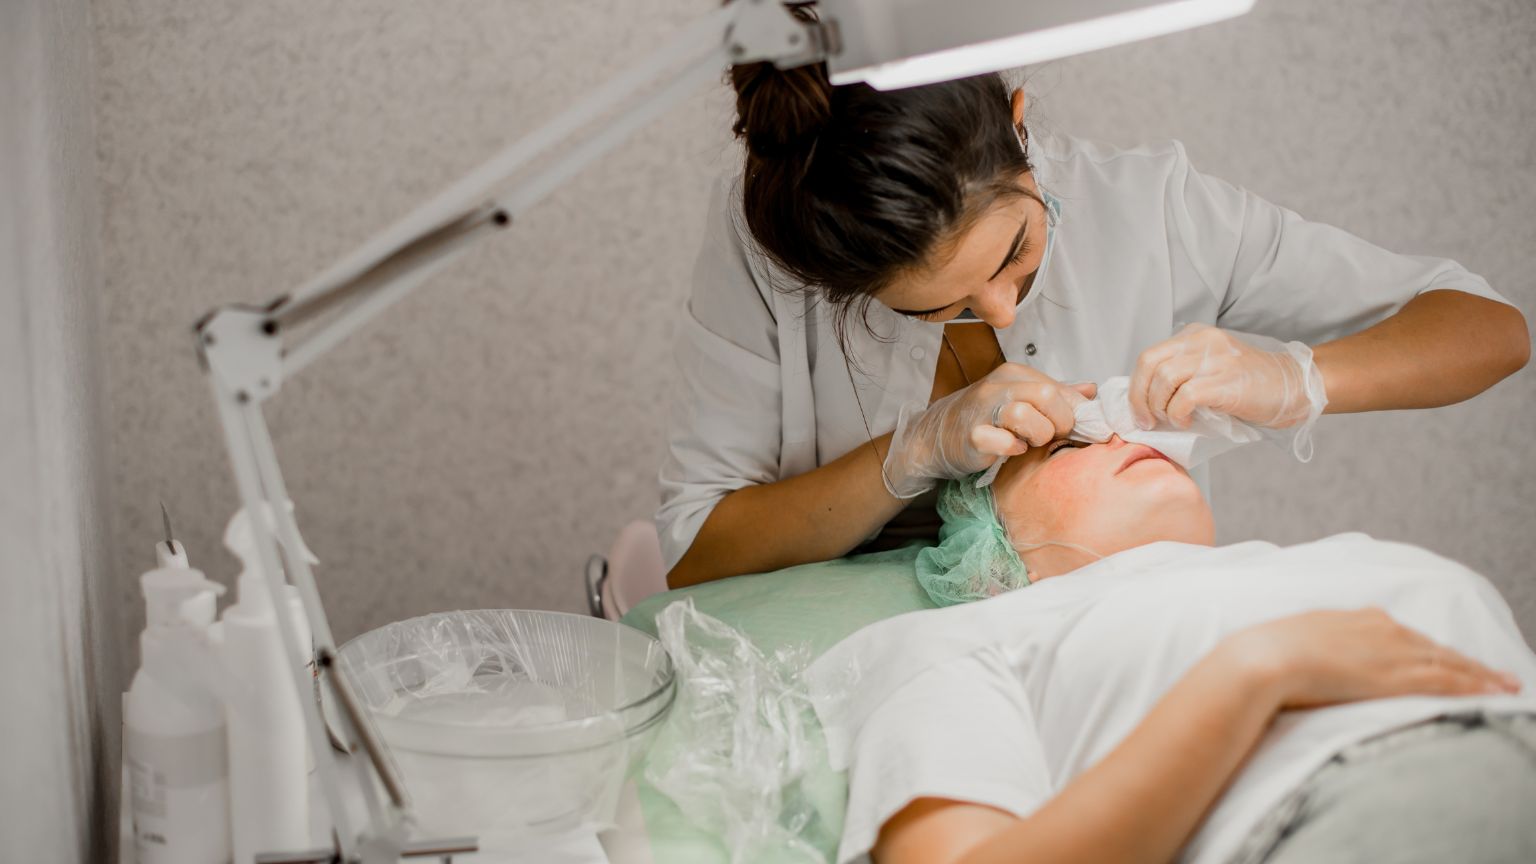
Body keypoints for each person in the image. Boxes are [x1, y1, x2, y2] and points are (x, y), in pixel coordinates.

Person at [657, 38, 1530, 588]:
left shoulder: (1154, 210)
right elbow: (702, 554)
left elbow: (1489, 330)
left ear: (1019, 124)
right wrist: (913, 449)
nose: (999, 308)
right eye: (938, 309)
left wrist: (1294, 378)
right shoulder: (771, 244)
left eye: (1015, 253)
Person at [800, 437, 1536, 864]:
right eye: (1073, 443)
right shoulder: (962, 638)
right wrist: (1254, 673)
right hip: (1346, 817)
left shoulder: (1336, 555)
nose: (1123, 430)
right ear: (988, 542)